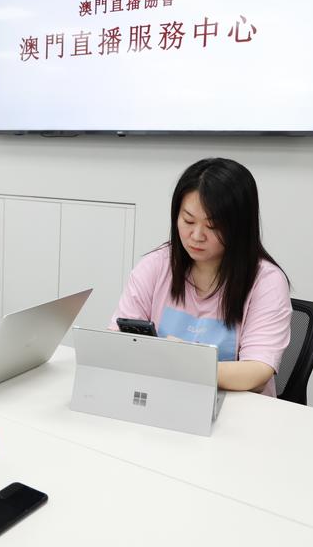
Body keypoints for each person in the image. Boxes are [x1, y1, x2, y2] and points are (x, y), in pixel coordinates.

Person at [110, 158, 291, 396]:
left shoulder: (266, 282)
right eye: (188, 221)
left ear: (239, 227)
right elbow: (119, 342)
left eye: (213, 226)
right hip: (163, 398)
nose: (196, 235)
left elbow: (257, 372)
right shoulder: (156, 266)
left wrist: (186, 362)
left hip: (236, 411)